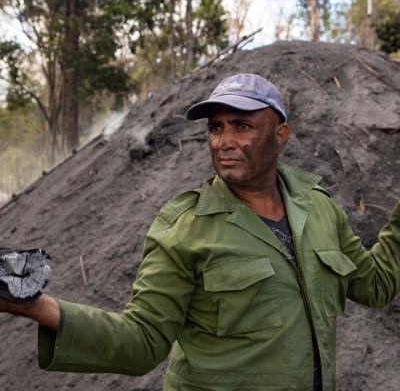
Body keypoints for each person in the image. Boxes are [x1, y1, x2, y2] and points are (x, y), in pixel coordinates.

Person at [0, 73, 399, 391]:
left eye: (242, 126)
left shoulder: (321, 210)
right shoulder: (184, 227)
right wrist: (38, 307)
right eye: (215, 128)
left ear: (280, 136)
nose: (224, 142)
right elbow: (142, 341)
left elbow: (376, 285)